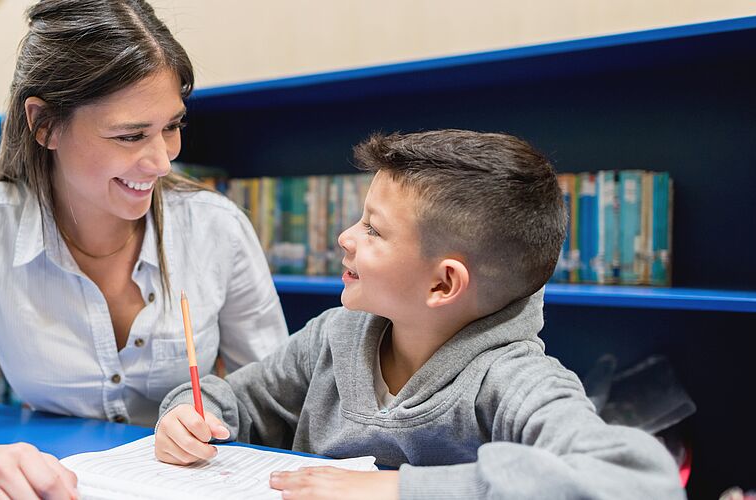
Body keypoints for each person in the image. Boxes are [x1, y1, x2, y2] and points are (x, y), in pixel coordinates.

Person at [0, 1, 288, 497]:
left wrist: (215, 421)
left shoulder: (216, 228)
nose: (160, 162)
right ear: (44, 124)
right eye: (129, 135)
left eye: (172, 127)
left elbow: (282, 396)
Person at [155, 130, 684, 499]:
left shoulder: (516, 380)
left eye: (372, 229)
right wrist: (188, 414)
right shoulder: (333, 336)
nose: (344, 238)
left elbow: (639, 483)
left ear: (443, 283)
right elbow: (237, 402)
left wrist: (400, 490)